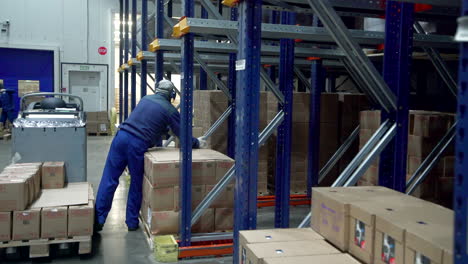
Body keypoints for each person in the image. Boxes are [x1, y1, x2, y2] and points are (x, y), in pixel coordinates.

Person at [95, 80, 206, 232]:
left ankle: (98, 220)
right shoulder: (170, 110)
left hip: (120, 137)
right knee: (136, 182)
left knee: (109, 178)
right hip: (137, 144)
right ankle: (132, 222)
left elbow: (147, 120)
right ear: (172, 94)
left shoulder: (145, 99)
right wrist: (197, 143)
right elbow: (184, 136)